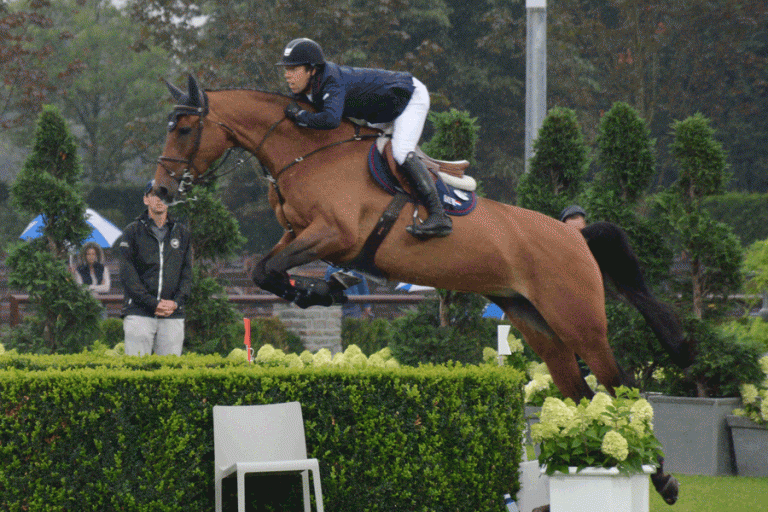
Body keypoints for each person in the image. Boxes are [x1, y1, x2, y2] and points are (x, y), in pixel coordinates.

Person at [276, 37, 452, 239]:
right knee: (365, 150)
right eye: (286, 69)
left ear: (312, 70)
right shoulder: (308, 87)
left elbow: (331, 120)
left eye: (293, 69)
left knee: (401, 151)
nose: (287, 75)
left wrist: (300, 116)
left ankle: (439, 216)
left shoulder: (331, 82)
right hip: (384, 110)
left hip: (409, 98)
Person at [117, 181, 193, 356]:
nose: (159, 199)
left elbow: (187, 274)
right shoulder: (132, 231)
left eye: (164, 195)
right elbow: (127, 274)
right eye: (154, 195)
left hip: (172, 314)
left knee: (170, 370)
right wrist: (152, 303)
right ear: (146, 199)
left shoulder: (182, 233)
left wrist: (176, 302)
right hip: (139, 313)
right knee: (136, 369)